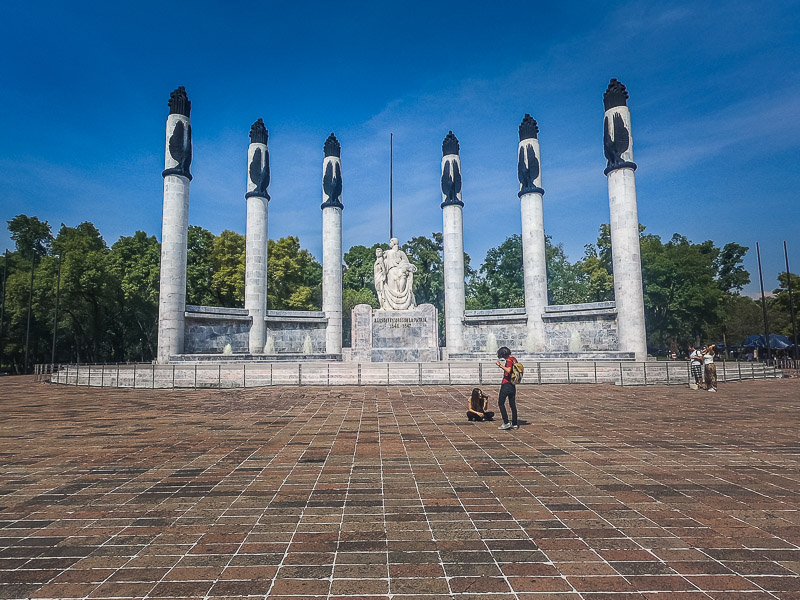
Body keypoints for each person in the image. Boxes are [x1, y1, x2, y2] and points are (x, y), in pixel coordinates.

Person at [495, 346, 519, 430]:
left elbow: (508, 370)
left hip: (506, 384)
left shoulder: (509, 360)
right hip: (512, 384)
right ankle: (515, 424)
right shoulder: (514, 359)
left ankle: (506, 422)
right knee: (512, 404)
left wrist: (500, 365)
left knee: (501, 403)